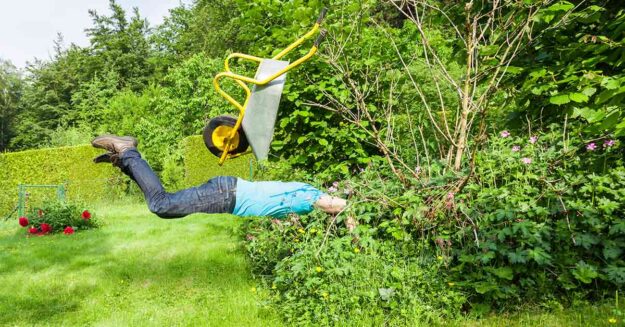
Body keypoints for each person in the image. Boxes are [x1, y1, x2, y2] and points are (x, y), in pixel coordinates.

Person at [91, 135, 347, 219]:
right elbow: (337, 205)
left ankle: (123, 160)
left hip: (228, 192)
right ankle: (127, 152)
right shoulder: (310, 196)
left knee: (162, 204)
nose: (329, 209)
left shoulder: (303, 194)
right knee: (162, 205)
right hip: (227, 195)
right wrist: (353, 222)